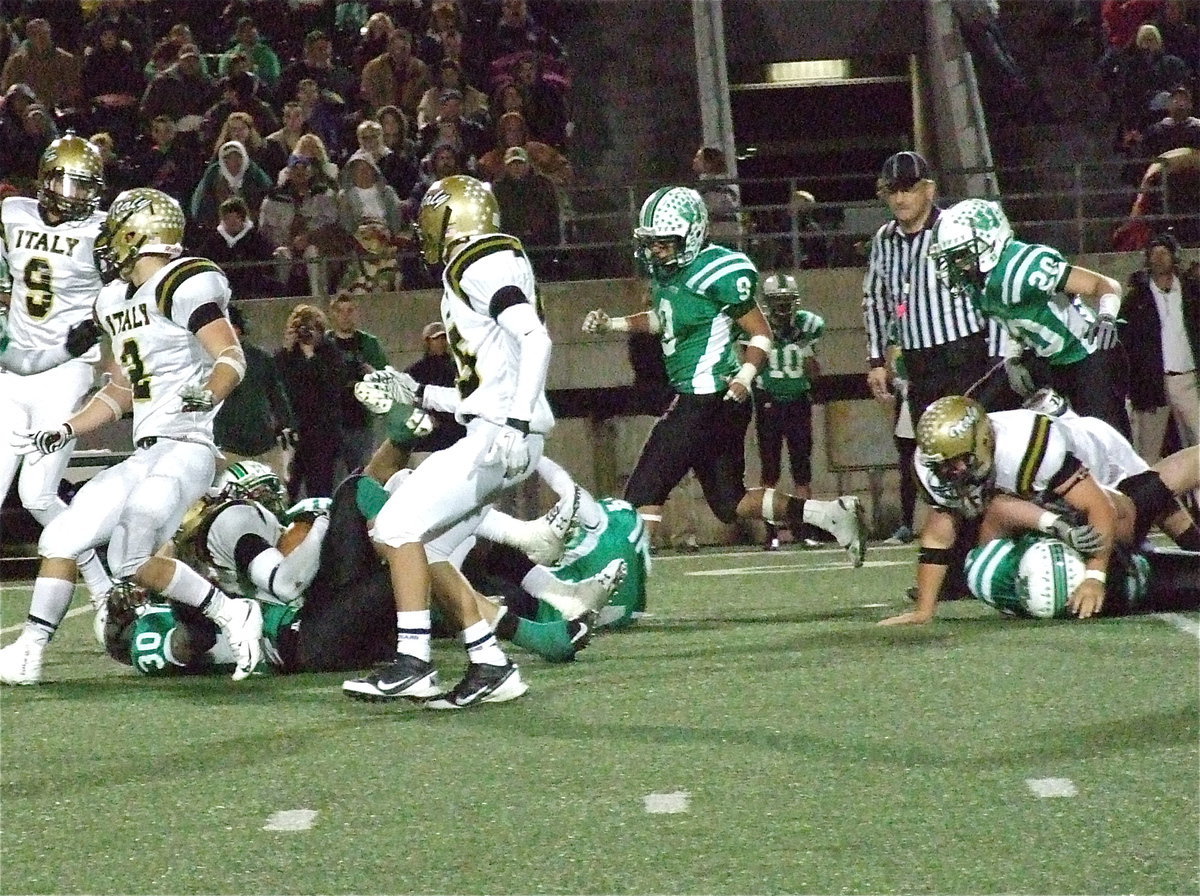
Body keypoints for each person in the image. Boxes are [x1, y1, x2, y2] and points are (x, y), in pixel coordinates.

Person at [0, 187, 263, 685]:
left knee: (138, 535)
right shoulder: (114, 299)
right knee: (66, 536)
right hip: (147, 452)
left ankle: (232, 615)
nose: (107, 243)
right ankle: (30, 649)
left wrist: (210, 392)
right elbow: (120, 391)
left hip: (187, 446)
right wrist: (65, 428)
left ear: (135, 234)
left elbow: (232, 357)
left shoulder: (181, 282)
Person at [341, 173, 554, 708]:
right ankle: (490, 664)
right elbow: (483, 386)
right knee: (430, 547)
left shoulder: (477, 261)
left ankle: (414, 661)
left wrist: (518, 421)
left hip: (501, 435)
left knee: (393, 525)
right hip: (499, 430)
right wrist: (416, 390)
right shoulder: (494, 261)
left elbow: (536, 338)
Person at [581, 186, 867, 565]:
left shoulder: (717, 271)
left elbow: (760, 333)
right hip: (714, 402)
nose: (656, 251)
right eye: (652, 243)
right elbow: (665, 320)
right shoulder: (671, 276)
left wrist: (745, 376)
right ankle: (831, 515)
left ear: (693, 234)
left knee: (641, 492)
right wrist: (612, 325)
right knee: (730, 502)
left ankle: (621, 580)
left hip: (708, 398)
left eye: (664, 243)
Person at [879, 395, 1200, 627]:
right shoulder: (934, 467)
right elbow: (938, 534)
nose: (953, 471)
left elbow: (1096, 506)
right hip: (1042, 496)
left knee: (1129, 518)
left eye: (958, 460)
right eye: (944, 465)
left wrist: (1094, 576)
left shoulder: (1025, 446)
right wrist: (924, 609)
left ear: (983, 441)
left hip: (1094, 456)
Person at [0, 134, 114, 606]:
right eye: (73, 185)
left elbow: (132, 289)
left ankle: (103, 582)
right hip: (14, 368)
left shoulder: (102, 231)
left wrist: (101, 325)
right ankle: (103, 581)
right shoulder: (13, 215)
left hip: (68, 369)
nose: (83, 196)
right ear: (48, 181)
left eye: (88, 187)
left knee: (38, 495)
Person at [928, 197, 1132, 436]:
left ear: (990, 242)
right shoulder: (977, 284)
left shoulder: (1025, 267)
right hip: (1047, 360)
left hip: (1086, 355)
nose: (955, 266)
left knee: (1106, 443)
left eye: (961, 255)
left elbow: (1104, 284)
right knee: (973, 414)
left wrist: (1106, 315)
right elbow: (1016, 322)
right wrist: (1012, 358)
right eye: (951, 258)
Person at [863, 151, 1010, 424]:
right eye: (892, 190)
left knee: (973, 446)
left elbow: (992, 289)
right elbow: (875, 300)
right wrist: (876, 361)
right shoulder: (884, 239)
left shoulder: (958, 229)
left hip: (964, 358)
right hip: (917, 364)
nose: (899, 198)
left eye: (908, 189)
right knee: (929, 451)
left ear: (928, 190)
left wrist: (998, 357)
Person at [752, 273, 824, 551]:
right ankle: (770, 531)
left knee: (802, 470)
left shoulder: (809, 325)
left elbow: (815, 373)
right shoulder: (757, 325)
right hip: (768, 399)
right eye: (777, 302)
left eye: (786, 301)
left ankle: (803, 528)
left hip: (798, 399)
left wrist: (806, 351)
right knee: (770, 470)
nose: (782, 308)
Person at [1119, 231, 1199, 460]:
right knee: (1147, 451)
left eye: (1164, 253)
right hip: (1153, 383)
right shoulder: (1137, 299)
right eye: (1154, 254)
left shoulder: (1192, 292)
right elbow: (1126, 341)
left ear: (1174, 257)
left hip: (1188, 379)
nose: (1159, 258)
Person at [214, 304, 296, 482]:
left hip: (265, 446)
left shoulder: (260, 358)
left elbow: (277, 396)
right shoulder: (209, 362)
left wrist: (286, 425)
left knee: (273, 498)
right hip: (228, 448)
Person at [273, 303, 346, 501]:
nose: (305, 334)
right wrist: (286, 350)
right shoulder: (286, 356)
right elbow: (276, 383)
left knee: (320, 489)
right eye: (301, 329)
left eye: (310, 329)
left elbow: (332, 386)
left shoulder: (330, 353)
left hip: (323, 434)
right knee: (287, 488)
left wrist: (311, 355)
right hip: (293, 433)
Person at [327, 292, 388, 478]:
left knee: (362, 474)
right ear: (333, 314)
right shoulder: (325, 343)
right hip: (331, 421)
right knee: (334, 476)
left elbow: (386, 377)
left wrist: (372, 373)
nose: (345, 316)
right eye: (340, 311)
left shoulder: (369, 343)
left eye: (350, 310)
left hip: (361, 419)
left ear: (356, 313)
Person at [194, 196, 278, 300]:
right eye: (227, 218)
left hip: (251, 291)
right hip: (221, 292)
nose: (231, 222)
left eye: (236, 218)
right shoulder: (213, 241)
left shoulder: (256, 239)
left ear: (243, 218)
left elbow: (267, 263)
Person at [489, 145, 559, 268]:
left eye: (520, 163)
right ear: (506, 166)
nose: (516, 168)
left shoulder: (543, 185)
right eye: (512, 164)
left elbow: (552, 214)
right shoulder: (498, 188)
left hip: (541, 243)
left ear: (528, 164)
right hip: (509, 245)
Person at [188, 139, 273, 235]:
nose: (234, 162)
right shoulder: (214, 174)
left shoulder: (254, 174)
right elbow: (201, 201)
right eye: (228, 158)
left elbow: (267, 193)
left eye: (238, 157)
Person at [405, 320, 467, 451]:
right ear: (427, 342)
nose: (441, 342)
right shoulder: (416, 370)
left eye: (444, 338)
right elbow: (408, 398)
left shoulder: (458, 367)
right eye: (436, 339)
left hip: (456, 429)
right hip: (429, 433)